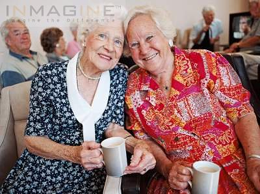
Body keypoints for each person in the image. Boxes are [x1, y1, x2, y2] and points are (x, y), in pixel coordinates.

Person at [0, 5, 155, 193]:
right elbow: (32, 138)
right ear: (84, 38)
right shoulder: (48, 75)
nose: (109, 47)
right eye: (102, 36)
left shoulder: (119, 75)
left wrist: (138, 145)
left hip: (92, 179)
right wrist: (73, 153)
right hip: (43, 174)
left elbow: (113, 128)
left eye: (117, 41)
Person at [108, 5, 260, 193]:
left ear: (165, 34)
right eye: (134, 44)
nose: (145, 49)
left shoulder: (206, 62)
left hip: (235, 165)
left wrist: (254, 159)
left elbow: (242, 112)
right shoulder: (133, 89)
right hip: (180, 178)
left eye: (149, 37)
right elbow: (145, 139)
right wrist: (166, 168)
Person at [0, 17, 48, 88]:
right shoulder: (9, 69)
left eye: (26, 32)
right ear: (8, 41)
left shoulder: (39, 55)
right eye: (17, 34)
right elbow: (18, 98)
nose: (24, 37)